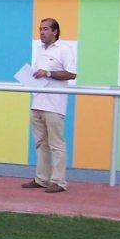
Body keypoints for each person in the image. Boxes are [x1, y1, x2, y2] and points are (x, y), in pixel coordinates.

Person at [22, 18, 76, 193]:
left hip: (54, 105)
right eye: (40, 29)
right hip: (37, 103)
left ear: (55, 31)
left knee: (56, 144)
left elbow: (72, 74)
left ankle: (59, 182)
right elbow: (39, 74)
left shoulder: (64, 49)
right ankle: (42, 179)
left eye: (46, 29)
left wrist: (49, 73)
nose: (42, 32)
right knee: (40, 144)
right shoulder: (39, 50)